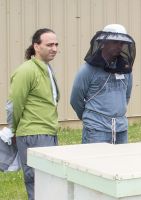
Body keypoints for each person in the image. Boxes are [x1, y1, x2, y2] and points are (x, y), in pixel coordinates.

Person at [8, 28, 60, 200]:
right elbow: (14, 104)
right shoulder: (27, 70)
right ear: (36, 47)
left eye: (56, 44)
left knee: (50, 181)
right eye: (49, 44)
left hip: (48, 132)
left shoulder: (46, 68)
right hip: (33, 133)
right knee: (37, 182)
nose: (54, 48)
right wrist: (13, 129)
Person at [70, 24, 136, 144]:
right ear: (103, 42)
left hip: (121, 129)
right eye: (115, 42)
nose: (119, 46)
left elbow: (126, 96)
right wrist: (90, 117)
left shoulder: (125, 69)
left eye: (121, 43)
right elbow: (76, 99)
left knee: (122, 162)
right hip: (96, 130)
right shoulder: (87, 70)